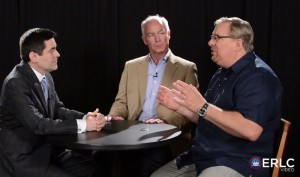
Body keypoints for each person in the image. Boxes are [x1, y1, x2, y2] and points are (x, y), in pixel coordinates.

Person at [151, 17, 283, 177]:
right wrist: (181, 106)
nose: (210, 43)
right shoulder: (222, 73)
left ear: (238, 43)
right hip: (204, 156)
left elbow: (251, 130)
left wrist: (202, 106)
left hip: (238, 162)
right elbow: (209, 118)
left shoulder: (259, 77)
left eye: (216, 38)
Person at [96, 14, 199, 177]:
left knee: (150, 159)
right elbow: (121, 101)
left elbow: (191, 111)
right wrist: (115, 115)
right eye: (151, 35)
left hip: (165, 136)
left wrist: (165, 122)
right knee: (102, 155)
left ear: (169, 34)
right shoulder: (131, 66)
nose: (157, 39)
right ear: (144, 39)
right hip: (131, 132)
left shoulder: (186, 68)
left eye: (161, 33)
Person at [0, 28, 106, 177]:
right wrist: (83, 125)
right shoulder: (15, 83)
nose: (58, 54)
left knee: (94, 168)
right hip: (25, 158)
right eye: (52, 50)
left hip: (50, 151)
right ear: (34, 56)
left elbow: (57, 109)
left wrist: (86, 117)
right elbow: (39, 125)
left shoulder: (46, 76)